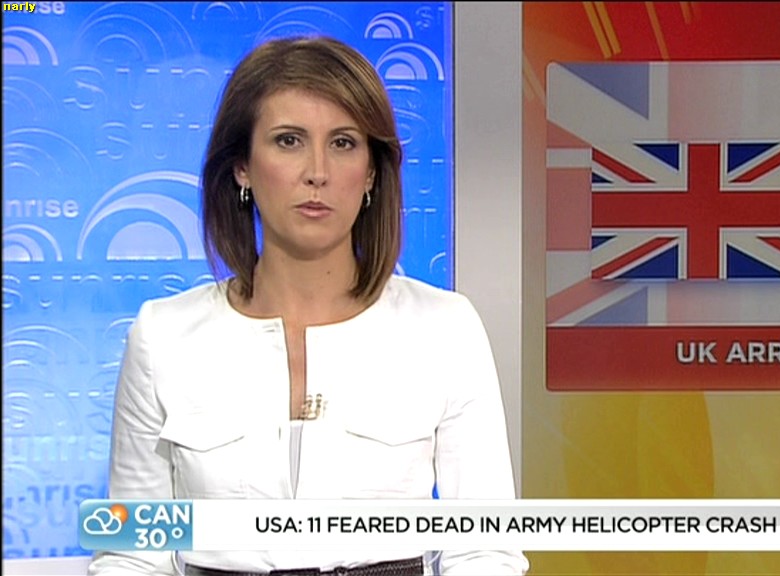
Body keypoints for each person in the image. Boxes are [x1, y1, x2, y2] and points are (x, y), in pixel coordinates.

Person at [87, 35, 529, 576]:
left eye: (343, 143)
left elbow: (485, 549)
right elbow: (133, 552)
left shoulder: (443, 328)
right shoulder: (163, 337)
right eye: (289, 140)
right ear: (242, 167)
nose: (317, 171)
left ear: (371, 172)